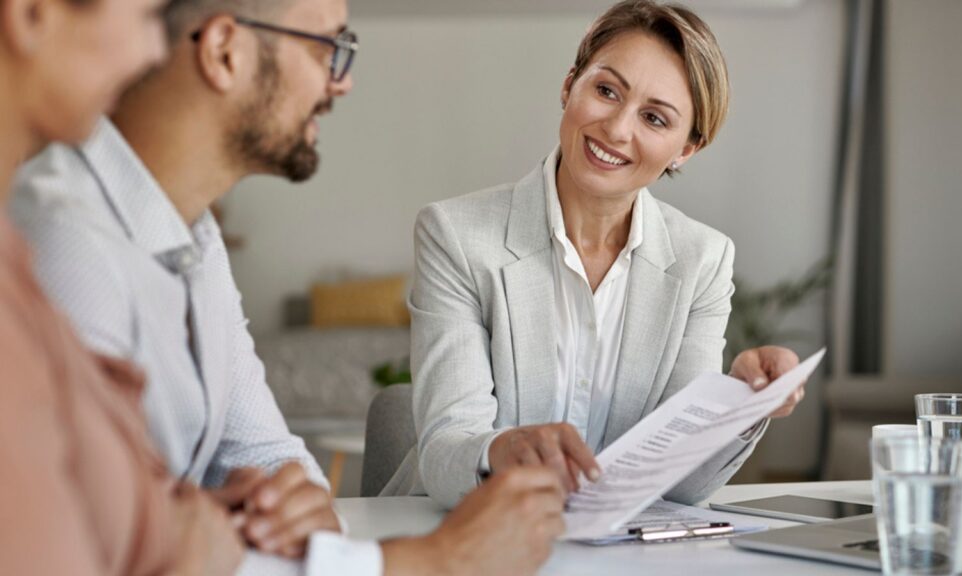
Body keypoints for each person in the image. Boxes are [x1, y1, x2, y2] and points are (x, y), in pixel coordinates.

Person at [11, 0, 568, 573]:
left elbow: (274, 460)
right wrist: (439, 559)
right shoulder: (60, 240)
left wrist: (286, 507)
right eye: (324, 47)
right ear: (225, 51)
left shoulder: (194, 238)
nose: (342, 81)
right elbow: (107, 548)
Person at [383, 0, 808, 509]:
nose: (617, 128)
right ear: (570, 86)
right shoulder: (455, 234)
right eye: (606, 91)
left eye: (654, 118)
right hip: (463, 530)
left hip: (613, 549)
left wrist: (740, 402)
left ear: (684, 150)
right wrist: (504, 449)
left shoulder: (703, 260)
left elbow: (681, 486)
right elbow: (446, 450)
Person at [0, 0, 245, 573]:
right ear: (32, 14)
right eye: (147, 15)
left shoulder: (17, 269)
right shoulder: (57, 238)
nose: (156, 53)